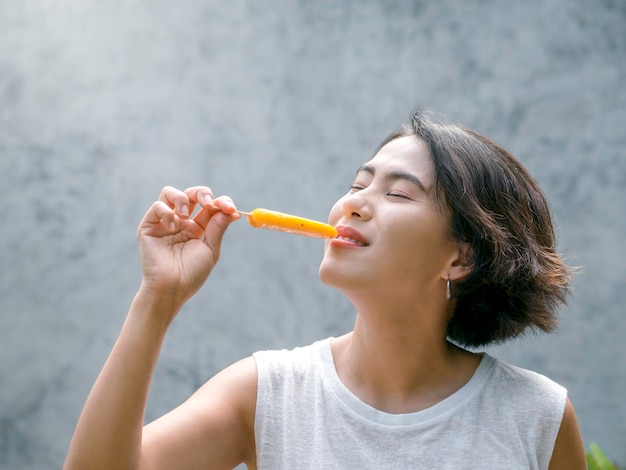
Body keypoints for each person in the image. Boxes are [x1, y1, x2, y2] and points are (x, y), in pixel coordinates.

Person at [64, 110, 586, 469]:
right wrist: (158, 298)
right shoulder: (267, 392)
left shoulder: (537, 415)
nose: (353, 204)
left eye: (398, 193)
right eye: (358, 185)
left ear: (460, 257)